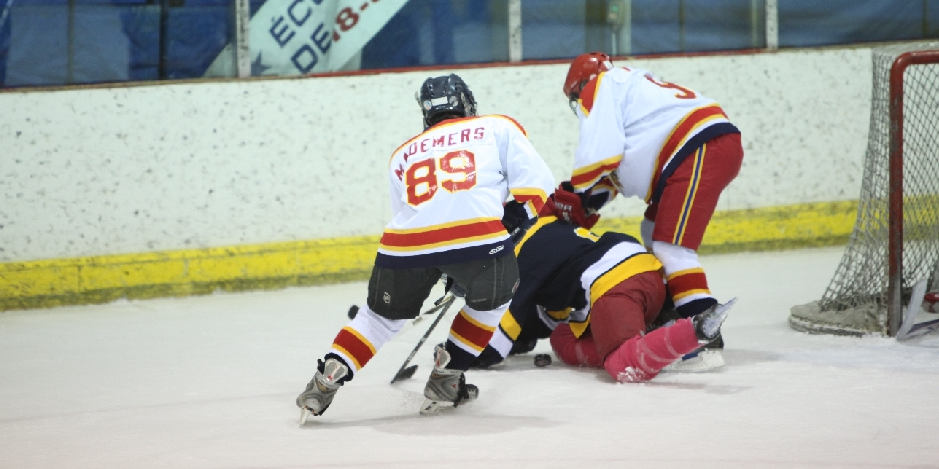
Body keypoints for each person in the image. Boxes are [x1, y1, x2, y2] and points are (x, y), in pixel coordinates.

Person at [296, 74, 555, 422]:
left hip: (403, 247)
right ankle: (447, 377)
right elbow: (539, 187)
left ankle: (330, 372)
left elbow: (413, 219)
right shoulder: (498, 127)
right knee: (492, 303)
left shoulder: (402, 154)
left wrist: (447, 266)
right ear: (467, 104)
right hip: (479, 242)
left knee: (378, 319)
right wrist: (507, 227)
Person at [545, 52, 743, 365]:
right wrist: (587, 201)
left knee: (671, 248)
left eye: (576, 97)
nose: (579, 104)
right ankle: (672, 307)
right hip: (701, 147)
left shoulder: (600, 86)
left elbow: (599, 156)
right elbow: (619, 168)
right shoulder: (632, 89)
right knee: (651, 230)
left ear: (581, 85)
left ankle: (702, 331)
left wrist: (575, 192)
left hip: (698, 149)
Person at [471, 214, 734, 382]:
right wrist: (524, 335)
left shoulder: (516, 259)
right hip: (648, 275)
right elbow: (548, 314)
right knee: (563, 338)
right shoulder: (545, 223)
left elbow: (495, 344)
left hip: (614, 286)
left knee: (622, 365)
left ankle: (694, 332)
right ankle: (656, 332)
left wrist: (463, 354)